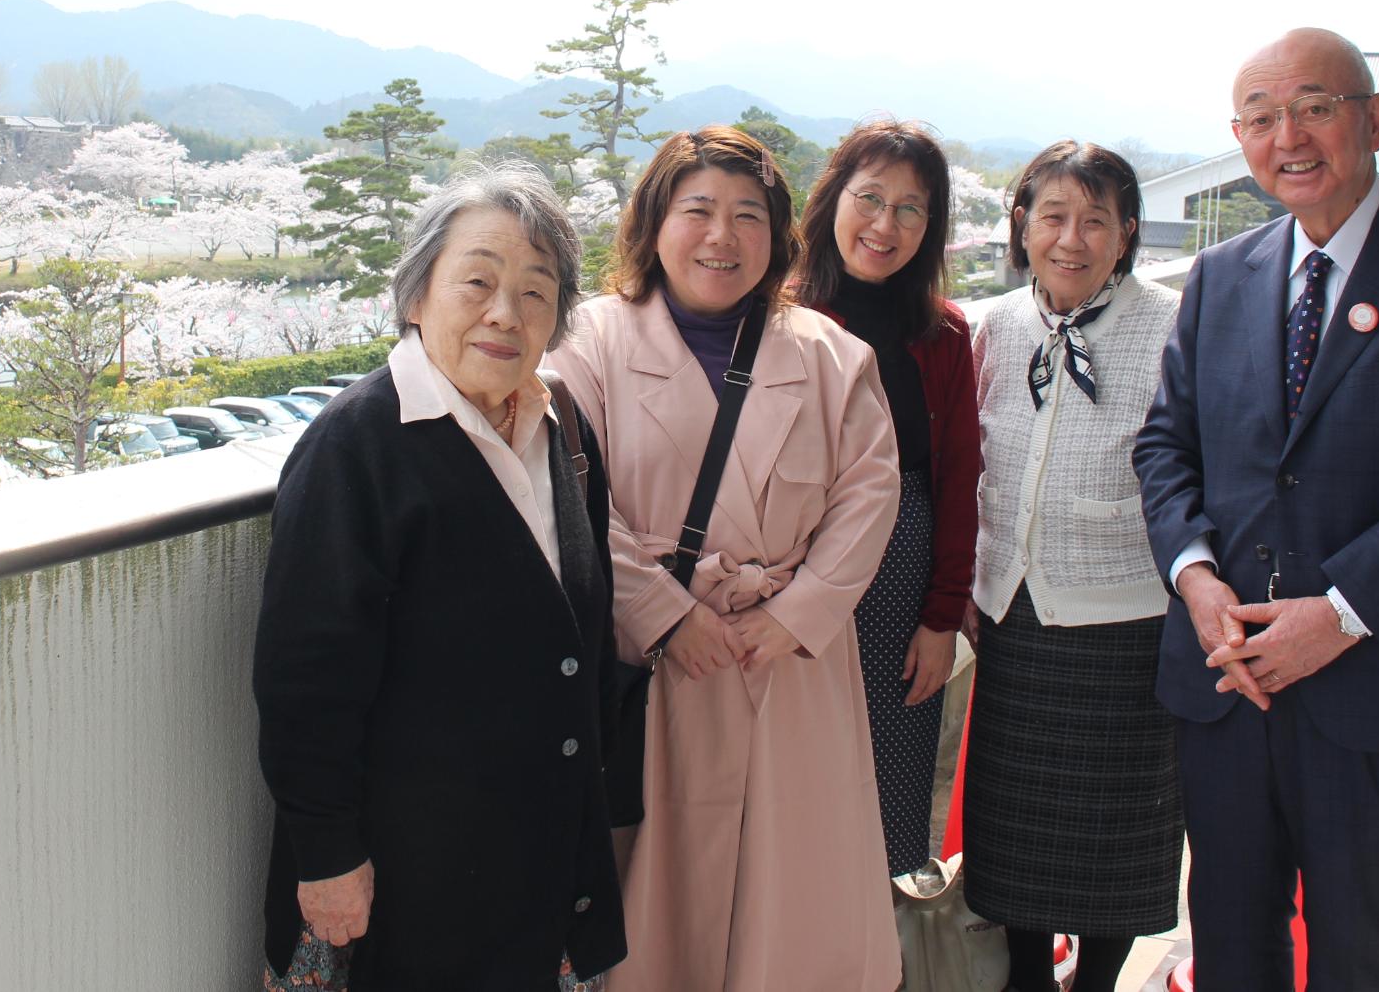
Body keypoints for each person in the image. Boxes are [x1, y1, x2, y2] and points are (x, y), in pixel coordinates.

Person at [1135, 27, 1379, 992]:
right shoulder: (1220, 277)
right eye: (1262, 119)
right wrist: (1195, 580)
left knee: (1362, 952)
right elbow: (1166, 447)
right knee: (1231, 945)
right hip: (1231, 678)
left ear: (1375, 119)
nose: (1290, 138)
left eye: (1315, 108)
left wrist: (1341, 614)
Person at [252, 165, 625, 992]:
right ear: (417, 295)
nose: (505, 313)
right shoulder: (356, 446)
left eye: (536, 292)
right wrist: (327, 853)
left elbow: (586, 638)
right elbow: (304, 677)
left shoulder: (563, 432)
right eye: (477, 282)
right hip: (403, 882)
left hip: (540, 872)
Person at [547, 125, 902, 992]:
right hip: (661, 663)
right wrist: (665, 613)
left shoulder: (831, 353)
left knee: (796, 882)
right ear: (653, 223)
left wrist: (798, 614)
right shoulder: (587, 342)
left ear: (778, 237)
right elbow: (567, 491)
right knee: (665, 892)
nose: (722, 236)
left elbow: (870, 492)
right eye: (697, 210)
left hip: (789, 660)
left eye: (748, 216)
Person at [962, 140, 1184, 991]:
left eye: (1096, 220)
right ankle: (1028, 974)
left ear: (1126, 235)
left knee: (1116, 830)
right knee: (1014, 823)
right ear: (1021, 224)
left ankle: (1096, 981)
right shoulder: (994, 325)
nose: (1071, 238)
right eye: (1052, 216)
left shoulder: (1172, 326)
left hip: (1127, 617)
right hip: (1012, 613)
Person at [789, 118, 980, 877]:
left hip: (900, 590)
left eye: (910, 208)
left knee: (882, 805)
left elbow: (958, 480)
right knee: (791, 796)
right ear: (832, 198)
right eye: (869, 198)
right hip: (786, 578)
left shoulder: (943, 333)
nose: (885, 224)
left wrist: (941, 618)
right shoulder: (775, 314)